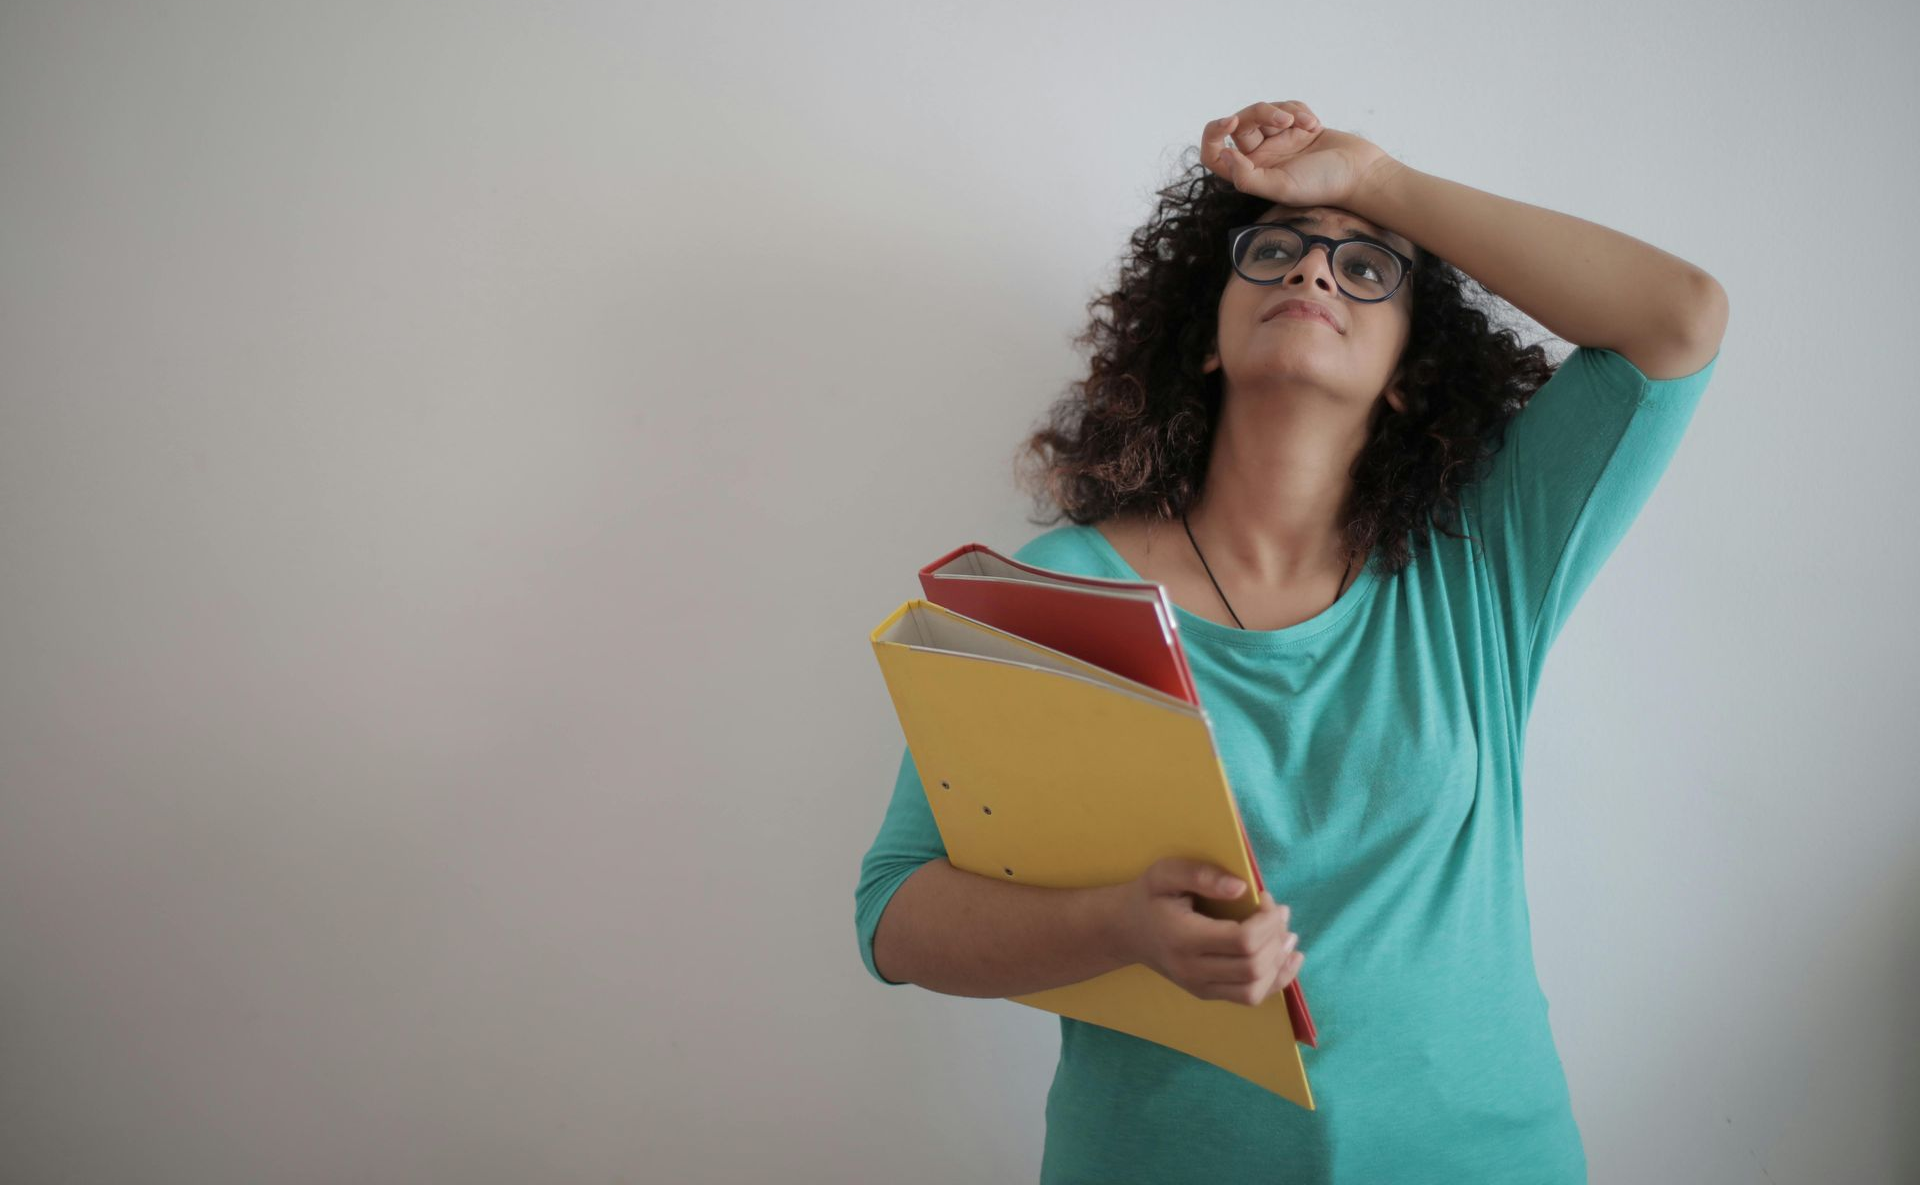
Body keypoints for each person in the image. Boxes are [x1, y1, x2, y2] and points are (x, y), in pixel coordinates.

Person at [854, 98, 1727, 1183]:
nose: (1313, 273)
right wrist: (1122, 927)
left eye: (1366, 268)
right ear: (1206, 340)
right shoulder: (1055, 594)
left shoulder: (1484, 559)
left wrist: (1371, 181)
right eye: (1274, 251)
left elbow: (1679, 319)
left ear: (1410, 370)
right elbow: (896, 913)